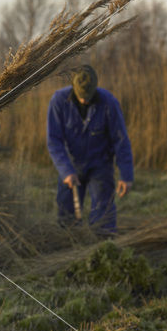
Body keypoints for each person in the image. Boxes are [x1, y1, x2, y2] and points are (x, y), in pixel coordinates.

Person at [46, 64, 133, 235]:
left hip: (100, 165)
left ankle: (102, 246)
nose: (85, 100)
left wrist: (126, 175)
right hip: (70, 164)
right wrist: (66, 171)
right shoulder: (59, 101)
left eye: (88, 96)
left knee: (103, 215)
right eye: (81, 96)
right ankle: (68, 246)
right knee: (66, 214)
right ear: (73, 88)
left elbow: (120, 140)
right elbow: (54, 140)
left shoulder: (109, 102)